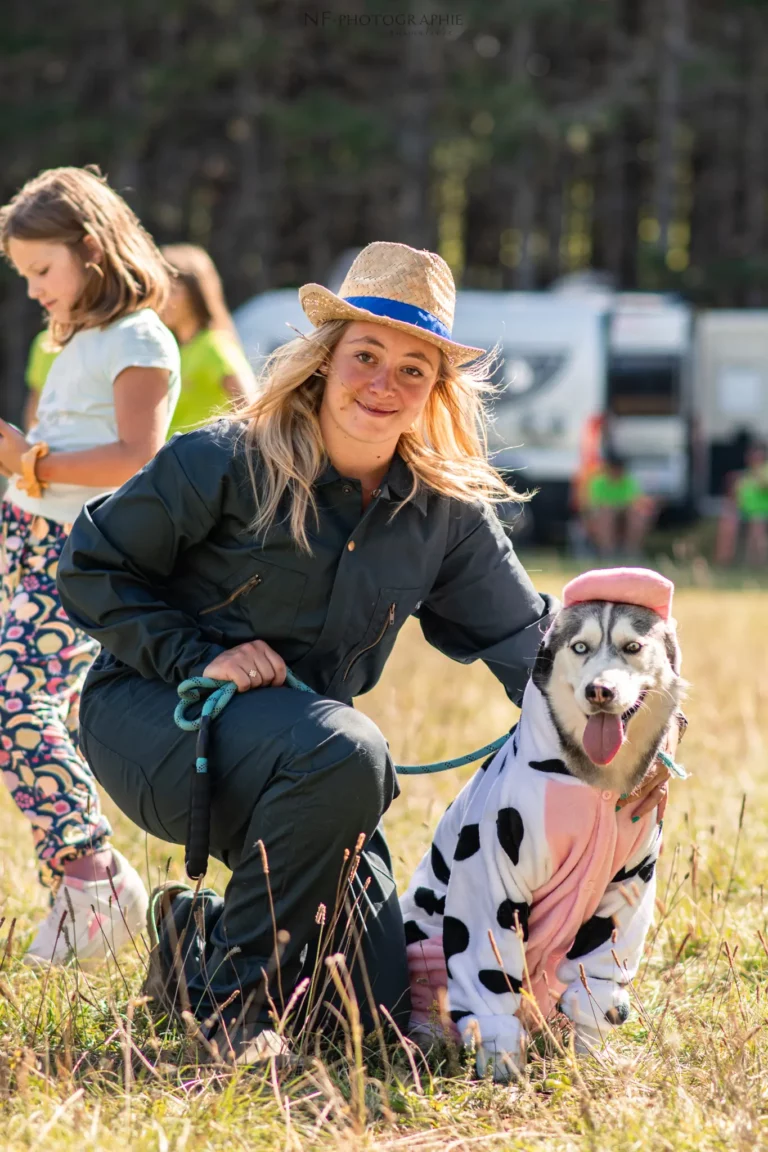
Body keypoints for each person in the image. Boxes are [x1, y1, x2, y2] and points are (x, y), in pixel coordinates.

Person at [56, 241, 670, 1064]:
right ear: (324, 361)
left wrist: (636, 735)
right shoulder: (224, 459)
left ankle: (190, 943)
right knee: (351, 751)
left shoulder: (443, 512)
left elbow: (533, 644)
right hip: (156, 719)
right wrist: (194, 653)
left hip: (312, 776)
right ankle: (232, 1015)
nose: (384, 383)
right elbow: (89, 565)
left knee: (374, 1018)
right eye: (367, 356)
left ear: (436, 391)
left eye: (413, 369)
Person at [0, 166, 181, 966]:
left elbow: (135, 458)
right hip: (30, 541)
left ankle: (92, 876)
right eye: (26, 275)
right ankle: (86, 887)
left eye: (43, 270)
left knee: (17, 704)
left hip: (78, 555)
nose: (36, 290)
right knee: (35, 708)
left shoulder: (141, 337)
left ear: (92, 249)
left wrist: (27, 460)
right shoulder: (75, 337)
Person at [160, 244, 255, 437]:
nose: (165, 299)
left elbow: (253, 412)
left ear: (196, 292)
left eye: (174, 289)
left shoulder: (216, 346)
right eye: (162, 289)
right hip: (170, 464)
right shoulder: (172, 351)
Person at [583, 451, 656, 558]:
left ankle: (631, 551)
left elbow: (635, 502)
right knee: (605, 515)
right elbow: (593, 506)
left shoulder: (629, 481)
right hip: (602, 517)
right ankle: (607, 552)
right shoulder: (598, 482)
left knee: (637, 517)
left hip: (624, 515)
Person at [715, 439, 768, 567]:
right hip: (744, 511)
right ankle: (723, 563)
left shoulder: (764, 471)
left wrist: (756, 477)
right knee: (727, 524)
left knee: (756, 526)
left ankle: (757, 564)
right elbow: (734, 496)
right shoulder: (744, 475)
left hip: (762, 511)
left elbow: (764, 486)